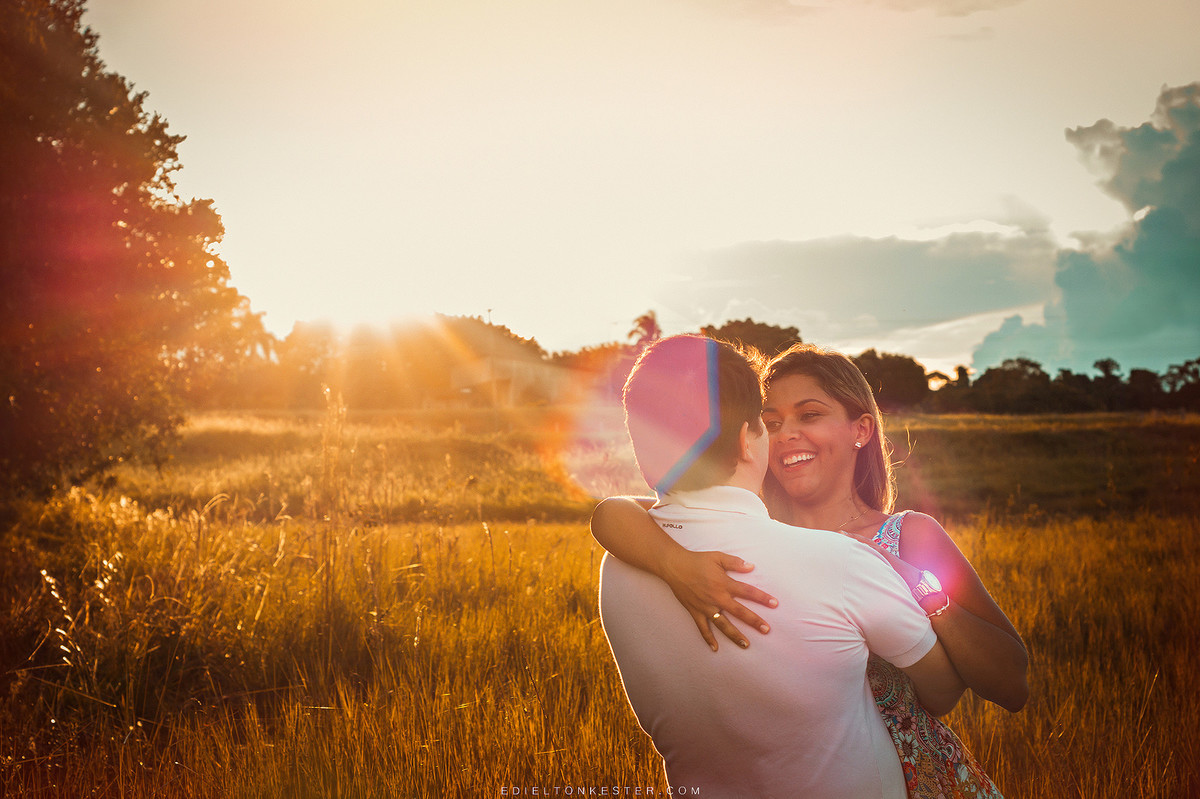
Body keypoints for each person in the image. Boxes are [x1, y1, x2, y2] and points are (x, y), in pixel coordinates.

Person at [593, 342, 1028, 799]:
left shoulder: (910, 535)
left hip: (921, 773)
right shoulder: (754, 536)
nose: (785, 435)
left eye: (810, 415)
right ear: (750, 436)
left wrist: (921, 588)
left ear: (860, 430)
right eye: (773, 422)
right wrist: (675, 563)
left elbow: (1011, 685)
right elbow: (615, 513)